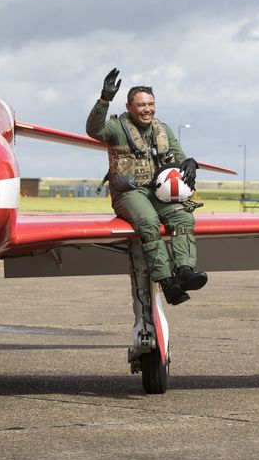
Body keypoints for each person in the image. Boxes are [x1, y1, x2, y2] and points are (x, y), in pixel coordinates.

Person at [86, 68, 207, 305]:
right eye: (141, 105)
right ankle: (166, 280)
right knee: (149, 222)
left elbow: (179, 157)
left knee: (183, 219)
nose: (147, 109)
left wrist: (190, 163)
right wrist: (104, 100)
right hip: (129, 194)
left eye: (151, 104)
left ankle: (184, 272)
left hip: (158, 193)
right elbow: (94, 130)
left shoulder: (163, 129)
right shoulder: (116, 128)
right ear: (130, 107)